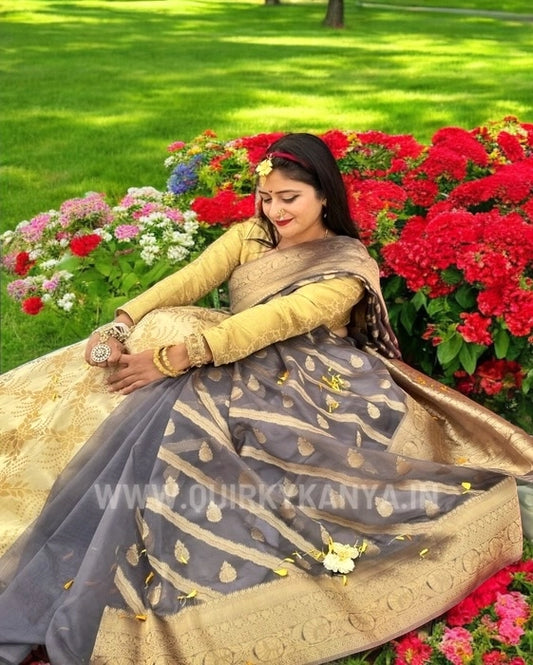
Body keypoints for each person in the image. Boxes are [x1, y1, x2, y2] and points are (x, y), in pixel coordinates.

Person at [0, 133, 532, 665]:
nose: (276, 210)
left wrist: (175, 358)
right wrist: (122, 320)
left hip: (317, 381)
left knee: (200, 417)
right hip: (231, 352)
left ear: (324, 196)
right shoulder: (252, 235)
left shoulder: (346, 267)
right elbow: (191, 279)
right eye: (267, 197)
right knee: (165, 335)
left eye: (290, 198)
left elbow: (279, 319)